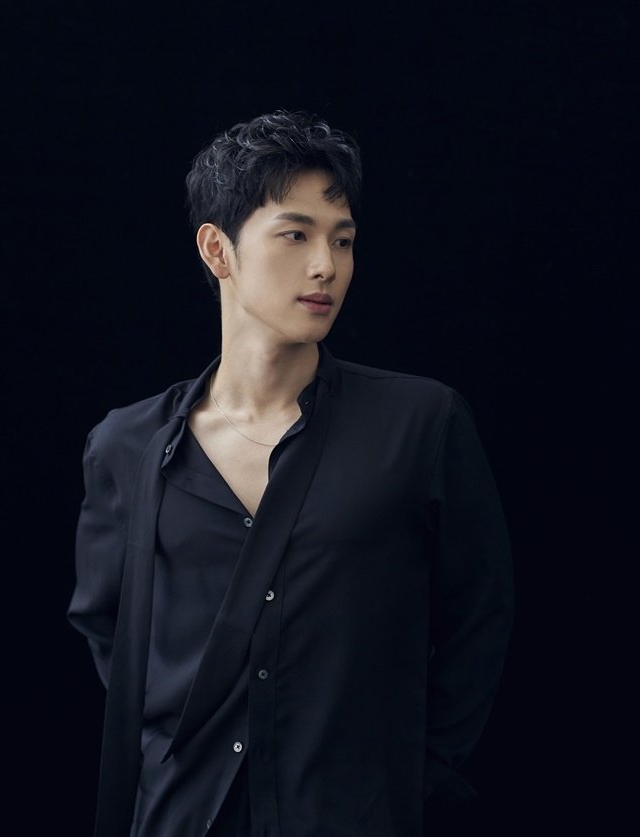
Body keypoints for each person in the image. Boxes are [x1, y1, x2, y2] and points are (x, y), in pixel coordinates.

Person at [68, 109, 514, 837]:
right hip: (183, 815)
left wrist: (410, 773)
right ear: (217, 250)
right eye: (295, 235)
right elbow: (107, 628)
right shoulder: (128, 445)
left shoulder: (420, 423)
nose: (326, 266)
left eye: (343, 240)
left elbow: (479, 618)